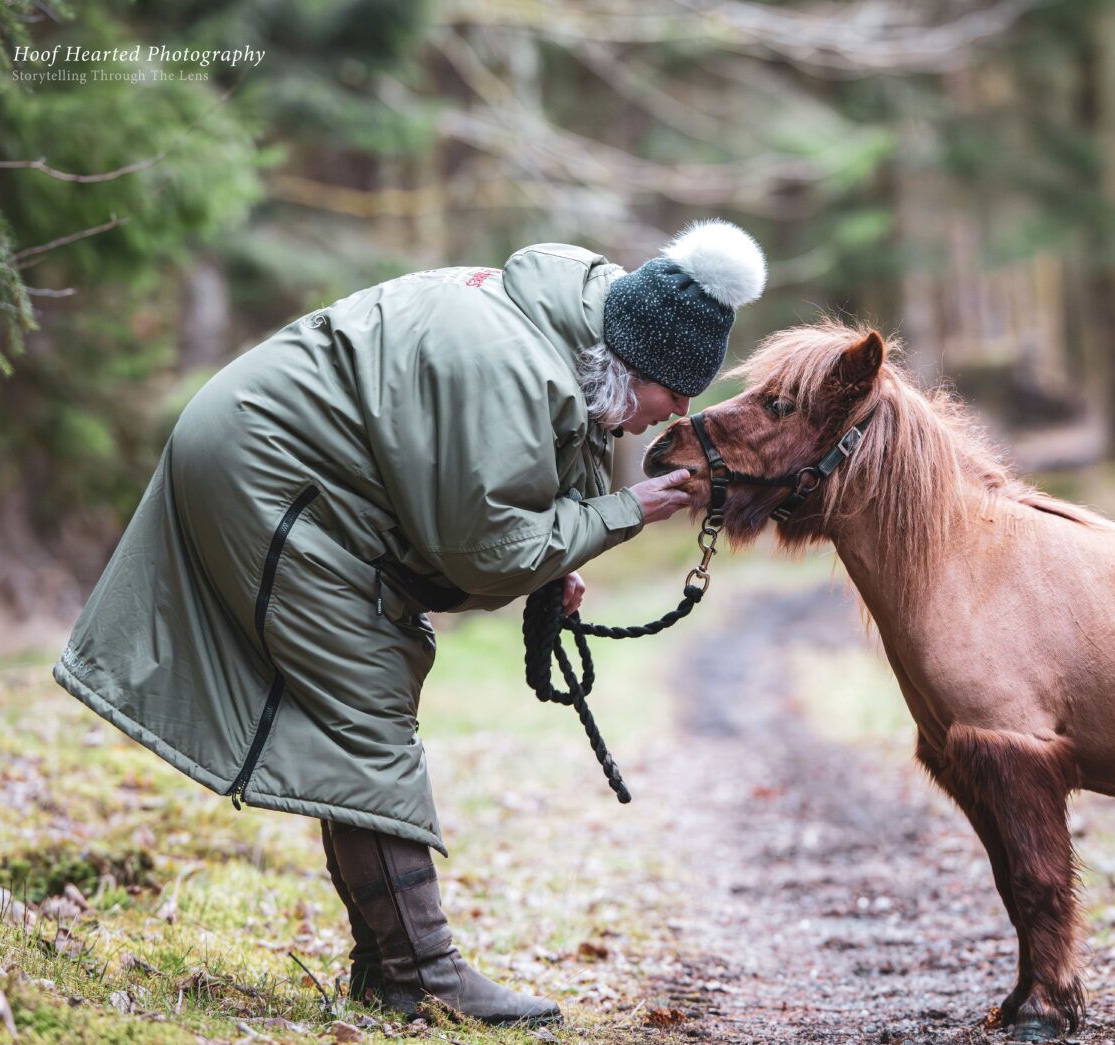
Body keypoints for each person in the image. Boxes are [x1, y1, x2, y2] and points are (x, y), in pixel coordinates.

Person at [51, 220, 767, 1024]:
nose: (675, 415)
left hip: (295, 473)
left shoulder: (574, 333)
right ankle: (418, 974)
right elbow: (485, 550)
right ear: (636, 368)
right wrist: (621, 513)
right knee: (365, 703)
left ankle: (387, 966)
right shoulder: (509, 363)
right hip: (267, 473)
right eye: (677, 394)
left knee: (366, 692)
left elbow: (533, 471)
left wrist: (556, 559)